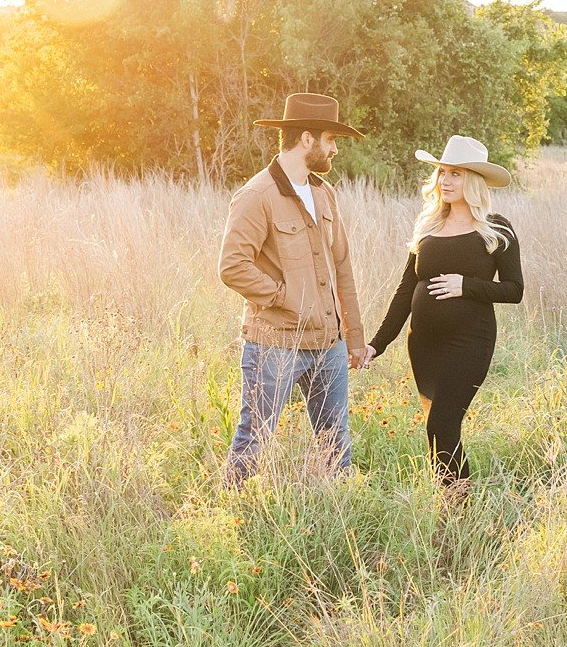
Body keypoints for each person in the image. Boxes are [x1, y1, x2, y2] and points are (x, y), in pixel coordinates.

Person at [217, 93, 374, 487]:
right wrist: (286, 298)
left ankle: (338, 512)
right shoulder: (257, 195)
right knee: (254, 440)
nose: (334, 149)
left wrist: (354, 336)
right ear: (307, 139)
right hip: (275, 344)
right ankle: (231, 510)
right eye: (330, 140)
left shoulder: (324, 193)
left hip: (329, 343)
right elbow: (232, 267)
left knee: (335, 444)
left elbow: (342, 266)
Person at [369, 135, 524, 492]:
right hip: (424, 345)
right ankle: (450, 502)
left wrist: (466, 285)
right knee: (436, 429)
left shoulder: (496, 228)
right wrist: (378, 344)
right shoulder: (428, 226)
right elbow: (405, 291)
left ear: (474, 180)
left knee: (442, 424)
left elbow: (514, 290)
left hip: (469, 342)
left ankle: (458, 506)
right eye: (442, 172)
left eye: (456, 173)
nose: (446, 180)